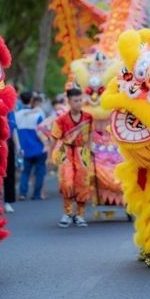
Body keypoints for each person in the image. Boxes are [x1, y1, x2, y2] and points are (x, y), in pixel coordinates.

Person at [52, 87, 94, 227]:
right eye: (75, 100)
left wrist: (90, 151)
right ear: (69, 101)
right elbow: (54, 138)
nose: (79, 103)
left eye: (80, 100)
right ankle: (67, 213)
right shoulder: (61, 120)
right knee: (66, 182)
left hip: (82, 152)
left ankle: (80, 215)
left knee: (83, 183)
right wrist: (50, 155)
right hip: (66, 151)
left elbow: (90, 136)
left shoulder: (88, 117)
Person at [16, 91, 48, 200]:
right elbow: (42, 131)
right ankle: (37, 194)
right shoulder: (37, 115)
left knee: (25, 172)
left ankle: (22, 193)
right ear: (31, 100)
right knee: (40, 172)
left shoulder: (16, 115)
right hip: (38, 148)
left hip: (24, 148)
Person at [3, 105, 20, 213]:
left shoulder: (9, 108)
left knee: (9, 173)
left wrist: (18, 145)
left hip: (7, 142)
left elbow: (13, 128)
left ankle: (7, 201)